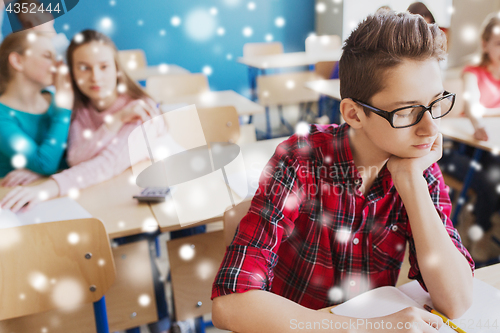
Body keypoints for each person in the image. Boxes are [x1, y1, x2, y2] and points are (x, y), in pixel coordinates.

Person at [211, 11, 474, 333]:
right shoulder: (301, 159)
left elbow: (456, 301)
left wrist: (410, 181)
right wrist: (372, 328)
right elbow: (229, 305)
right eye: (407, 112)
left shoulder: (417, 164)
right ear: (354, 113)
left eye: (436, 104)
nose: (431, 128)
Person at [439, 13, 500, 264]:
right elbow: (473, 105)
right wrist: (478, 122)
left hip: (492, 152)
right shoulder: (472, 72)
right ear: (484, 44)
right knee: (489, 185)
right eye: (498, 43)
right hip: (463, 152)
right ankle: (478, 241)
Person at [0, 29, 72, 186]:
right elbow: (45, 164)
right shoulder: (2, 116)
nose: (59, 65)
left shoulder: (55, 102)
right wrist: (64, 108)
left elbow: (73, 157)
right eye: (48, 56)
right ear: (18, 61)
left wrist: (38, 172)